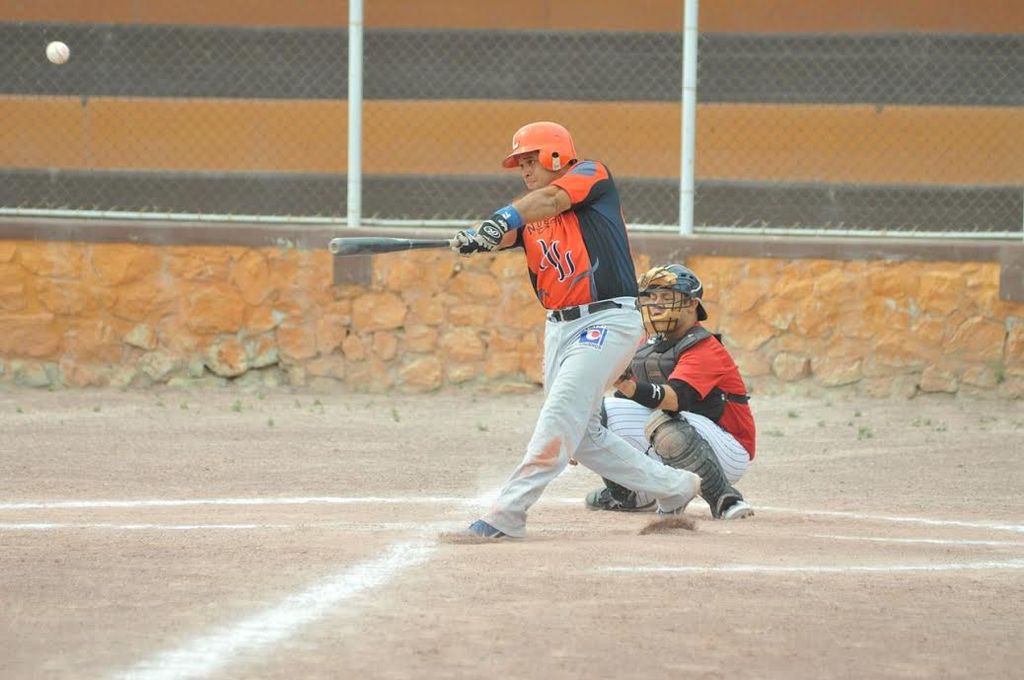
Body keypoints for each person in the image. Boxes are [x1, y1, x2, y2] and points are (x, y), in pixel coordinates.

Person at [451, 121, 700, 539]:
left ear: (555, 156)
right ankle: (675, 487)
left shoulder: (591, 175)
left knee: (559, 414)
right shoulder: (532, 213)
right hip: (560, 327)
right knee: (583, 437)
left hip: (606, 320)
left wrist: (500, 218)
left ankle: (508, 513)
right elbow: (510, 231)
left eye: (530, 159)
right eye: (520, 163)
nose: (525, 169)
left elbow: (548, 200)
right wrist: (478, 238)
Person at [585, 264, 756, 520]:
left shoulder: (704, 347)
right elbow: (626, 402)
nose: (656, 304)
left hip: (727, 449)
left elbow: (675, 399)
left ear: (691, 304)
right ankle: (631, 494)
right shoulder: (646, 345)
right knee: (594, 412)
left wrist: (628, 385)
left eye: (666, 297)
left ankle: (725, 498)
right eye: (652, 297)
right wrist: (579, 430)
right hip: (675, 434)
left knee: (664, 419)